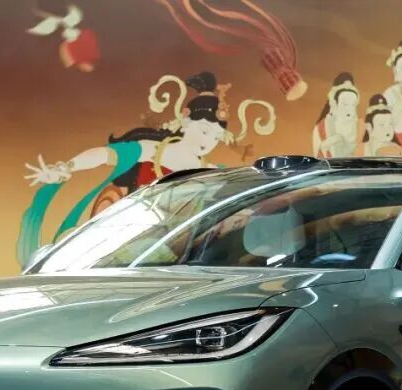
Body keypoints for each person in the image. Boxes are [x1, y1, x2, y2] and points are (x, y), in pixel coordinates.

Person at [19, 71, 275, 266]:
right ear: (186, 118)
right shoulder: (153, 150)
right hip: (124, 234)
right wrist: (67, 166)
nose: (208, 141)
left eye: (217, 137)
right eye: (205, 130)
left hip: (171, 252)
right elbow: (105, 155)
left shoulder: (211, 171)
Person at [312, 73, 361, 158]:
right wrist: (326, 145)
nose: (349, 109)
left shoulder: (359, 126)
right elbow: (317, 156)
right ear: (334, 103)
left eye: (352, 104)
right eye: (345, 104)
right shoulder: (321, 128)